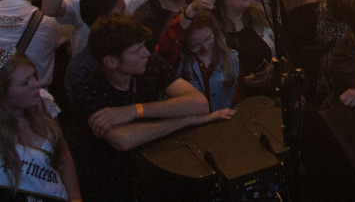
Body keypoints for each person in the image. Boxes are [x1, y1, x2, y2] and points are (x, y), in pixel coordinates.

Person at [70, 14, 228, 200]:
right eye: (137, 50)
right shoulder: (88, 88)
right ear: (111, 61)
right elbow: (123, 140)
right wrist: (187, 120)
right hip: (113, 185)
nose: (146, 53)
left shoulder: (150, 65)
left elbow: (199, 103)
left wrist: (133, 111)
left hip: (159, 170)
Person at [0, 49, 81, 200]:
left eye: (34, 76)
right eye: (25, 83)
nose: (36, 84)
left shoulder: (41, 104)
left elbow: (64, 159)